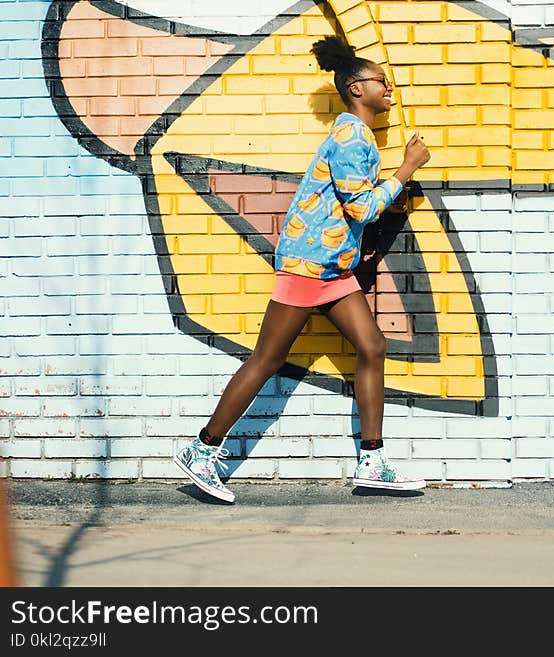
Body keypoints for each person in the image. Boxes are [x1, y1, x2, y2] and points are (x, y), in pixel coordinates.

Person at [173, 35, 431, 503]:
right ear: (356, 88)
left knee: (371, 346)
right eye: (381, 82)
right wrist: (405, 170)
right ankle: (202, 449)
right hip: (310, 266)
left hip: (330, 268)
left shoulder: (355, 135)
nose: (389, 89)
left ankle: (372, 461)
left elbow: (347, 205)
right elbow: (359, 209)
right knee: (266, 359)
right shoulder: (354, 135)